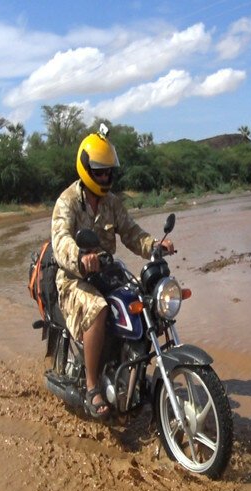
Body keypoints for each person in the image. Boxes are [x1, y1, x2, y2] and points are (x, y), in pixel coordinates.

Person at [51, 125, 174, 419]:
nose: (105, 177)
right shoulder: (67, 201)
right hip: (73, 278)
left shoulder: (112, 203)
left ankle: (132, 369)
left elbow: (131, 233)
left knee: (144, 302)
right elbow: (60, 240)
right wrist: (80, 258)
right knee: (99, 308)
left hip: (108, 273)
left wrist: (155, 245)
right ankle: (93, 387)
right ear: (87, 169)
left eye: (109, 172)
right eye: (100, 172)